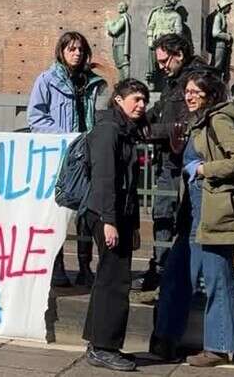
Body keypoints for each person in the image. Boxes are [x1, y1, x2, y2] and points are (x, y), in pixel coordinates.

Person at [151, 71, 234, 368]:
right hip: (194, 214)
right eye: (187, 91)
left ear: (211, 95)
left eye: (196, 91)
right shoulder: (200, 123)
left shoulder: (219, 120)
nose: (189, 95)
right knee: (177, 275)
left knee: (217, 279)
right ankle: (166, 339)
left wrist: (205, 169)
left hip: (215, 212)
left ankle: (219, 347)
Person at [28, 31, 106, 287]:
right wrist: (65, 137)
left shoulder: (93, 83)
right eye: (71, 49)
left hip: (88, 154)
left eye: (81, 49)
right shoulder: (47, 80)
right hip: (62, 156)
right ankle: (57, 265)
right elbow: (36, 118)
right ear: (61, 51)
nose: (77, 53)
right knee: (58, 211)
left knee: (87, 213)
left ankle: (85, 266)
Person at [81, 78, 150, 372]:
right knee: (115, 281)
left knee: (109, 278)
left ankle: (98, 343)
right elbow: (105, 179)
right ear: (118, 100)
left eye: (144, 100)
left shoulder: (124, 131)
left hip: (116, 214)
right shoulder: (109, 131)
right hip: (105, 213)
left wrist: (131, 224)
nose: (141, 105)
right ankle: (104, 347)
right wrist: (109, 221)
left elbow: (128, 185)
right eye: (136, 99)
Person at [135, 33, 207, 292]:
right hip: (171, 161)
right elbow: (160, 112)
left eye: (165, 61)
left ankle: (181, 272)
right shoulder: (173, 82)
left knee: (186, 218)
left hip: (188, 161)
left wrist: (147, 131)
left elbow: (185, 124)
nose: (162, 66)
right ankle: (161, 267)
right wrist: (134, 118)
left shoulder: (196, 81)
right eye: (159, 62)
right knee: (163, 213)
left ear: (180, 55)